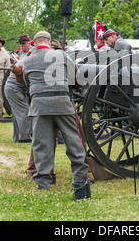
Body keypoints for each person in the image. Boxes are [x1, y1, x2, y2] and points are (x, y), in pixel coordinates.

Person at [23, 30, 90, 198]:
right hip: (62, 103)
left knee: (41, 144)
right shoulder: (61, 55)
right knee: (74, 143)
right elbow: (79, 80)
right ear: (49, 41)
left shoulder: (27, 60)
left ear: (34, 43)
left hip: (39, 105)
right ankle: (80, 181)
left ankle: (43, 183)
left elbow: (27, 82)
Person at [4, 34, 32, 143]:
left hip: (13, 87)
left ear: (29, 43)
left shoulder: (26, 55)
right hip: (14, 87)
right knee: (24, 111)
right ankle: (24, 138)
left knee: (17, 114)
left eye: (24, 43)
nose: (21, 45)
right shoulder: (26, 57)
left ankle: (17, 137)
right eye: (20, 43)